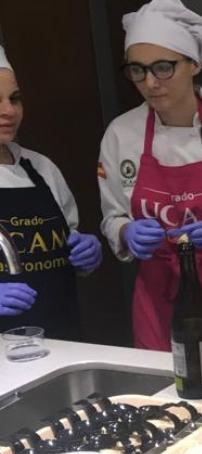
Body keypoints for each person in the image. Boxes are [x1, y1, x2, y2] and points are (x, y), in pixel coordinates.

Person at [97, 0, 202, 360]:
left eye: (163, 68)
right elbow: (113, 215)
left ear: (193, 64)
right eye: (137, 70)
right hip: (158, 305)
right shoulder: (121, 134)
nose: (150, 83)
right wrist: (126, 233)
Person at [0, 46, 102, 339]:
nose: (9, 111)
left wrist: (85, 253)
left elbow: (67, 239)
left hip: (63, 337)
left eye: (14, 99)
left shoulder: (41, 168)